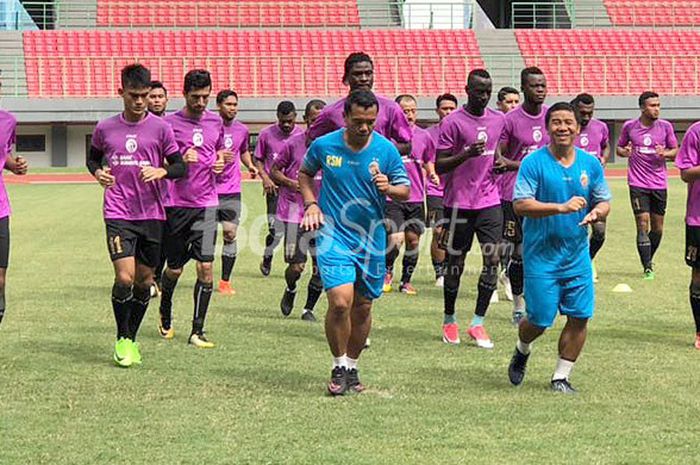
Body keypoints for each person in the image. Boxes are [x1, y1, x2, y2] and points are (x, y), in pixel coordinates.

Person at [299, 90, 409, 396]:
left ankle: (352, 366)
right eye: (358, 121)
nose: (364, 128)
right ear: (345, 117)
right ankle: (338, 364)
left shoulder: (386, 150)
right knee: (340, 302)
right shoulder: (324, 145)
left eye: (370, 122)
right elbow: (305, 173)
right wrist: (311, 204)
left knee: (362, 306)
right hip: (333, 233)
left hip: (372, 239)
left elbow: (406, 190)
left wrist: (390, 187)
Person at [507, 102, 611, 394]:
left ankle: (560, 377)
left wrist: (598, 212)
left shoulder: (590, 164)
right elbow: (520, 204)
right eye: (556, 122)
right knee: (539, 319)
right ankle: (522, 348)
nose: (562, 127)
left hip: (577, 256)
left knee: (580, 316)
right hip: (541, 256)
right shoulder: (533, 163)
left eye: (568, 122)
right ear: (547, 127)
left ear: (578, 128)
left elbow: (604, 200)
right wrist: (560, 207)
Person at [86, 64, 185, 367]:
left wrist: (162, 170)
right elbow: (92, 159)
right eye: (134, 95)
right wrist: (99, 172)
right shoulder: (105, 128)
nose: (140, 101)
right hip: (118, 212)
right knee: (124, 277)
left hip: (152, 214)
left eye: (144, 96)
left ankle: (131, 337)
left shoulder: (161, 128)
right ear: (121, 93)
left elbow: (180, 166)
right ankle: (122, 337)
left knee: (144, 282)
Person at [435, 69, 506, 348]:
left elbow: (496, 151)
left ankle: (478, 323)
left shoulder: (498, 120)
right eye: (479, 91)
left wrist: (498, 161)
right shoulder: (453, 122)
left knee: (492, 260)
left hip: (490, 201)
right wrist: (466, 154)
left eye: (488, 91)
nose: (484, 96)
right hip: (459, 203)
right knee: (456, 263)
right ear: (467, 90)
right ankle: (449, 319)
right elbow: (440, 165)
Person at [158, 69, 225, 348]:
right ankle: (165, 310)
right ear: (184, 94)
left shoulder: (215, 121)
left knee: (206, 267)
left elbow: (219, 150)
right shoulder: (169, 124)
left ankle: (197, 331)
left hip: (207, 203)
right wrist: (179, 161)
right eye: (195, 97)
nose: (201, 103)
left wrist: (220, 160)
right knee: (174, 269)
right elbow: (160, 164)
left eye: (205, 97)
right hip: (177, 204)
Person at [497, 66, 549, 326]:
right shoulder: (510, 120)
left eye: (543, 85)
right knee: (518, 252)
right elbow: (499, 159)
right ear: (523, 87)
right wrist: (528, 165)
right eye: (534, 85)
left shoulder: (553, 116)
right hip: (515, 194)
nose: (540, 90)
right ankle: (518, 305)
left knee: (543, 250)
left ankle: (541, 301)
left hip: (547, 194)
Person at [270, 99, 326, 321]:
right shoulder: (293, 144)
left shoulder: (335, 145)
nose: (318, 126)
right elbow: (274, 170)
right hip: (295, 213)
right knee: (296, 267)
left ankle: (308, 309)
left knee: (321, 268)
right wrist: (290, 182)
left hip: (324, 214)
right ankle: (291, 288)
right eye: (313, 121)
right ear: (306, 120)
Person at [616, 91, 678, 280]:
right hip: (637, 182)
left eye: (658, 105)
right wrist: (624, 151)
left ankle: (648, 256)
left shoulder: (666, 127)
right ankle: (648, 267)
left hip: (659, 183)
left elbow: (675, 152)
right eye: (653, 105)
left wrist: (665, 154)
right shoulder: (629, 126)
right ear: (643, 107)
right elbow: (619, 148)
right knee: (642, 223)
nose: (656, 109)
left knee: (657, 229)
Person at [383, 94, 438, 295]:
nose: (410, 115)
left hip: (416, 198)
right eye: (405, 111)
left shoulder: (424, 136)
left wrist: (432, 173)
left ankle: (406, 281)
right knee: (395, 239)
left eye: (413, 110)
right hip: (393, 197)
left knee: (413, 241)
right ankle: (386, 273)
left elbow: (428, 159)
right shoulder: (387, 138)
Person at [307, 52, 412, 155]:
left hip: (378, 170)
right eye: (357, 74)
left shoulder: (391, 108)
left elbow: (407, 145)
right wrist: (337, 154)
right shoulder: (330, 112)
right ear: (346, 78)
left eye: (368, 73)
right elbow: (310, 141)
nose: (364, 79)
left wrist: (380, 150)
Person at [215, 89, 258, 295]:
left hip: (231, 190)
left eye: (235, 104)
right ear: (218, 106)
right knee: (200, 236)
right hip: (207, 190)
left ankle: (225, 281)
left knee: (230, 233)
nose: (232, 108)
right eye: (228, 104)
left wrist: (249, 165)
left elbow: (243, 151)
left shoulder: (242, 129)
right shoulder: (210, 127)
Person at [255, 101, 304, 277]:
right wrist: (265, 177)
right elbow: (258, 159)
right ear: (277, 117)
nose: (286, 124)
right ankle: (268, 255)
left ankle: (298, 260)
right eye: (283, 121)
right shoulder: (266, 134)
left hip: (296, 193)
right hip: (274, 189)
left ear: (295, 118)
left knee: (295, 228)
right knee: (276, 229)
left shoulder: (302, 135)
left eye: (289, 121)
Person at [572, 93, 610, 282]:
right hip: (571, 187)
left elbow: (606, 146)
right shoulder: (568, 129)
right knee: (574, 231)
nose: (586, 117)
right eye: (582, 113)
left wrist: (603, 158)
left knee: (600, 232)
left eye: (590, 113)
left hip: (594, 187)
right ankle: (576, 265)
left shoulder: (600, 127)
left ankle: (588, 259)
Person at [0, 76, 28, 326]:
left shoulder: (8, 121)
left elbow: (4, 155)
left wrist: (14, 165)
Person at [426, 93, 458, 288]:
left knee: (454, 232)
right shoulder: (429, 134)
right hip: (435, 189)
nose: (448, 112)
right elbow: (423, 159)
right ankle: (440, 272)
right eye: (444, 108)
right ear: (437, 110)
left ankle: (451, 268)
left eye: (451, 108)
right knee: (439, 230)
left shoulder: (462, 130)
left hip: (457, 190)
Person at [676, 121, 700, 350]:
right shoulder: (696, 131)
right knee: (698, 277)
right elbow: (685, 173)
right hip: (698, 218)